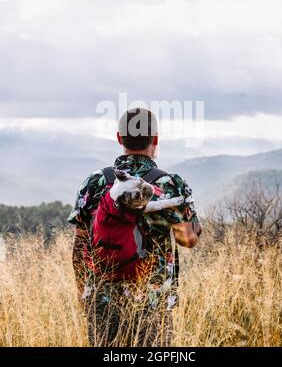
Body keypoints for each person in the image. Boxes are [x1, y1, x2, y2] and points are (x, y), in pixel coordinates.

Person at [68, 108, 202, 347]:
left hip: (102, 304)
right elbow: (188, 240)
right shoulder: (169, 184)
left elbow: (79, 245)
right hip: (152, 303)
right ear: (156, 139)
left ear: (120, 138)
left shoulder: (95, 182)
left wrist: (85, 294)